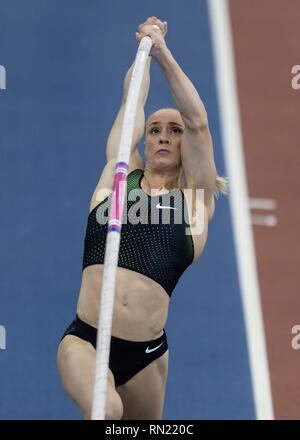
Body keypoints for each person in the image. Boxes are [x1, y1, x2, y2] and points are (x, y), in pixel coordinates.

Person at [57, 16, 227, 420]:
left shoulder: (195, 203)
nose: (163, 136)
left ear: (187, 148)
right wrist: (144, 52)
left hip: (148, 355)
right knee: (106, 411)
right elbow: (131, 101)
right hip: (86, 340)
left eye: (174, 130)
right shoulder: (118, 175)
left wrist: (164, 54)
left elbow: (200, 122)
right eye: (154, 130)